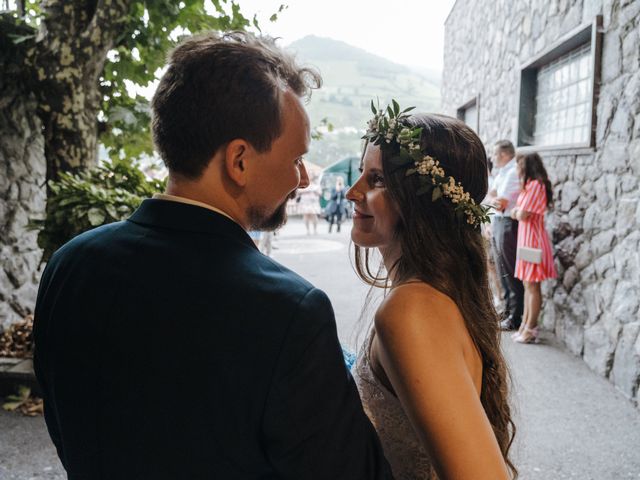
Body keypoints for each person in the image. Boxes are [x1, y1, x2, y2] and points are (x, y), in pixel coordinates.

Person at [33, 32, 392, 480]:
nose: (302, 179)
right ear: (239, 160)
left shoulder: (68, 265)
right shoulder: (288, 310)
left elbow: (63, 421)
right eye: (296, 158)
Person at [347, 104, 516, 479]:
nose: (351, 192)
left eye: (376, 180)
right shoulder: (437, 293)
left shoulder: (411, 311)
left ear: (420, 200)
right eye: (361, 173)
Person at [510, 152, 557, 344]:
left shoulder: (536, 185)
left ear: (527, 164)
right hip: (527, 239)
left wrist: (515, 211)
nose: (517, 168)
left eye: (519, 163)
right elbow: (518, 212)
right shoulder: (530, 185)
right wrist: (516, 211)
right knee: (527, 284)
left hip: (533, 241)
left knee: (532, 285)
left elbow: (523, 214)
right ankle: (525, 325)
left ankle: (530, 328)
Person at [485, 140, 524, 331]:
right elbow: (492, 194)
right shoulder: (502, 172)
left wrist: (493, 199)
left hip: (509, 223)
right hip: (499, 222)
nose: (492, 158)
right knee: (501, 270)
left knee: (510, 270)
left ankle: (516, 317)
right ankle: (508, 310)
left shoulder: (513, 171)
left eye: (494, 154)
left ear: (503, 155)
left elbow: (499, 202)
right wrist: (493, 199)